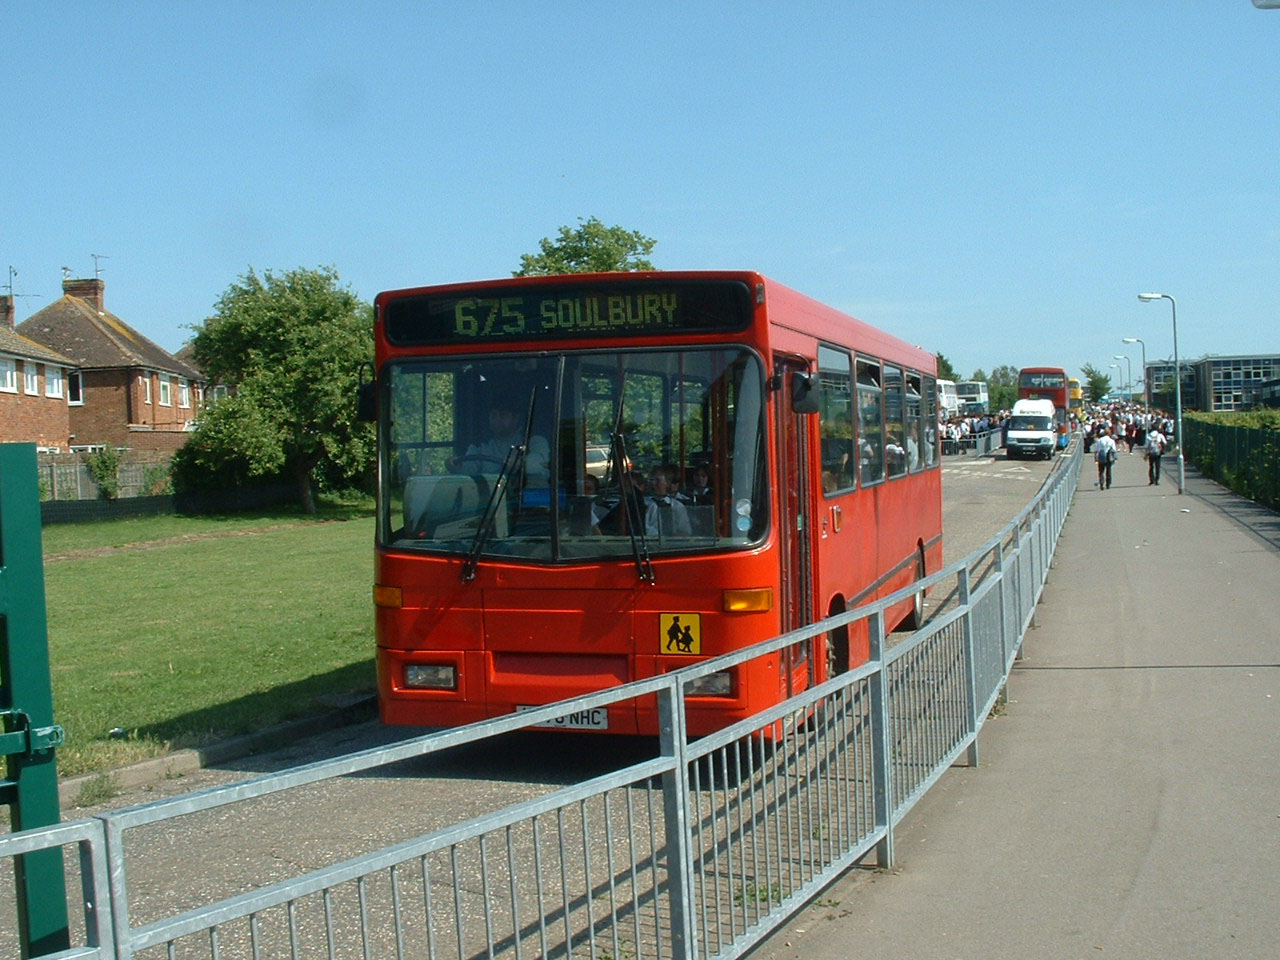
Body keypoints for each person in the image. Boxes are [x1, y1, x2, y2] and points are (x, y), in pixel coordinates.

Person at [449, 398, 550, 485]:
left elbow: (541, 463)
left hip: (526, 497)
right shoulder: (481, 444)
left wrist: (521, 464)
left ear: (516, 418)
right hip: (491, 498)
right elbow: (469, 470)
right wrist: (456, 466)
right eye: (493, 415)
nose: (496, 420)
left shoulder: (534, 440)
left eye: (503, 415)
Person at [644, 464, 691, 536]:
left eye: (658, 480)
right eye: (651, 480)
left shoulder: (677, 506)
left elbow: (685, 530)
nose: (653, 483)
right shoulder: (644, 504)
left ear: (667, 483)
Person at [1094, 426, 1117, 490]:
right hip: (1109, 456)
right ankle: (1108, 484)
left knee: (1101, 471)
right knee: (1108, 470)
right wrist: (1115, 458)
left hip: (1101, 456)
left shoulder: (1099, 440)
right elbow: (1114, 450)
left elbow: (1096, 450)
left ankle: (1101, 483)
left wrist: (1095, 458)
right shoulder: (1111, 441)